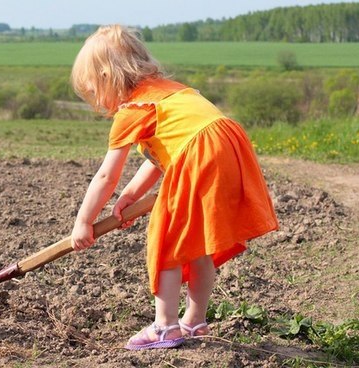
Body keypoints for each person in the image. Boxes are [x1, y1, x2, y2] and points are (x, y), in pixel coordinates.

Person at [69, 24, 279, 351]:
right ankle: (194, 321)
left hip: (200, 153)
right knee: (197, 243)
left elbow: (105, 176)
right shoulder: (174, 92)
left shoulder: (134, 109)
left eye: (95, 91)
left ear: (109, 78)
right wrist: (130, 197)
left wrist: (83, 221)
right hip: (227, 145)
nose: (98, 101)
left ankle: (165, 327)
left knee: (167, 241)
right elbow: (157, 159)